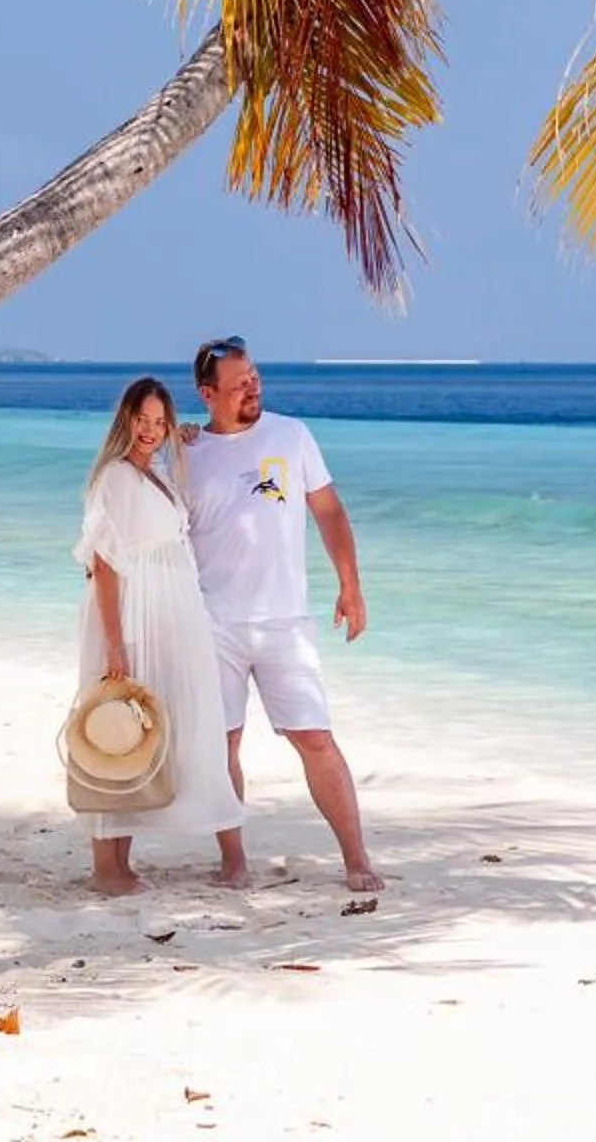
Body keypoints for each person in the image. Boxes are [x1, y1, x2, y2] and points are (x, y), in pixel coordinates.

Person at [183, 336, 383, 892]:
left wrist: (351, 585)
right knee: (222, 742)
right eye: (240, 382)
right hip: (212, 621)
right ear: (207, 393)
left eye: (255, 377)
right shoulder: (187, 452)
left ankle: (357, 859)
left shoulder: (291, 435)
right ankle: (233, 862)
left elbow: (329, 510)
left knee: (315, 738)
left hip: (284, 621)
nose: (253, 387)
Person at [72, 375, 242, 895]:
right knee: (118, 733)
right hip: (132, 617)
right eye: (140, 420)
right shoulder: (116, 479)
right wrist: (115, 643)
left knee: (146, 737)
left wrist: (185, 434)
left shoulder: (156, 472)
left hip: (171, 615)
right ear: (123, 420)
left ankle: (121, 864)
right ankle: (107, 869)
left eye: (157, 421)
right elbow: (103, 565)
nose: (148, 430)